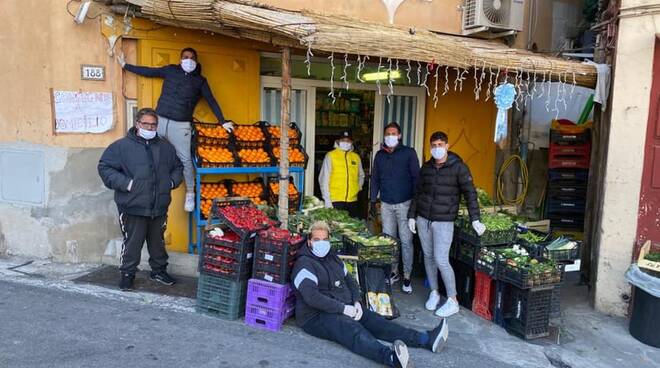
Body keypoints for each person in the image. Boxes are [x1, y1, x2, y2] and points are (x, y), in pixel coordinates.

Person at [292, 221, 449, 368]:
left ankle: (426, 339)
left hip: (344, 306)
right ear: (309, 241)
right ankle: (391, 358)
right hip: (315, 316)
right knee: (352, 330)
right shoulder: (304, 265)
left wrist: (356, 302)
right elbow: (312, 298)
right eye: (317, 239)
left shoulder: (333, 258)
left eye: (325, 239)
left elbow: (351, 281)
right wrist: (343, 309)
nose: (321, 243)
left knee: (378, 322)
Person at [117, 47, 232, 212]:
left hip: (181, 125)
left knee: (185, 159)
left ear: (196, 61)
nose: (189, 60)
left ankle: (190, 193)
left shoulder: (200, 81)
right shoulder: (171, 70)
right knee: (145, 150)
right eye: (186, 57)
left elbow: (211, 100)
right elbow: (149, 72)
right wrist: (126, 66)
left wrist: (222, 121)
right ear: (180, 59)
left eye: (192, 58)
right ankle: (137, 185)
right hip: (160, 121)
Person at [98, 108, 184, 291]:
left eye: (153, 124)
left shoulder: (165, 147)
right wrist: (127, 184)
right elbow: (105, 167)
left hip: (158, 206)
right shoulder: (121, 147)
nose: (150, 127)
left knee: (157, 242)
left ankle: (159, 271)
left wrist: (170, 182)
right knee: (132, 243)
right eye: (146, 124)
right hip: (132, 206)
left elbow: (177, 167)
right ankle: (128, 274)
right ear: (137, 124)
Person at [407, 131, 485, 318]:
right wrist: (412, 215)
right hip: (424, 219)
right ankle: (434, 292)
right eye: (433, 145)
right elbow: (418, 193)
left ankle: (453, 300)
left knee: (441, 259)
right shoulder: (426, 168)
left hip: (444, 221)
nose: (436, 149)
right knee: (428, 256)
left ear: (447, 146)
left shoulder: (459, 168)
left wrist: (475, 218)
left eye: (440, 145)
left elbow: (470, 194)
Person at [370, 122, 420, 293]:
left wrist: (415, 205)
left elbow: (416, 179)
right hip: (386, 204)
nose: (390, 136)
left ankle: (407, 276)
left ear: (399, 136)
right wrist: (372, 200)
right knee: (389, 241)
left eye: (393, 133)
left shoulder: (408, 153)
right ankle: (393, 272)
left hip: (405, 204)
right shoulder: (380, 155)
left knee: (406, 241)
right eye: (387, 133)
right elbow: (375, 178)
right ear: (384, 136)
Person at [318, 130, 365, 218]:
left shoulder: (356, 157)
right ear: (338, 141)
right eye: (343, 140)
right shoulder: (331, 155)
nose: (346, 142)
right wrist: (327, 200)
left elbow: (361, 176)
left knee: (351, 229)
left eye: (348, 141)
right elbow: (323, 179)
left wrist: (357, 188)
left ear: (351, 142)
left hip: (352, 201)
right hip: (335, 200)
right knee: (336, 228)